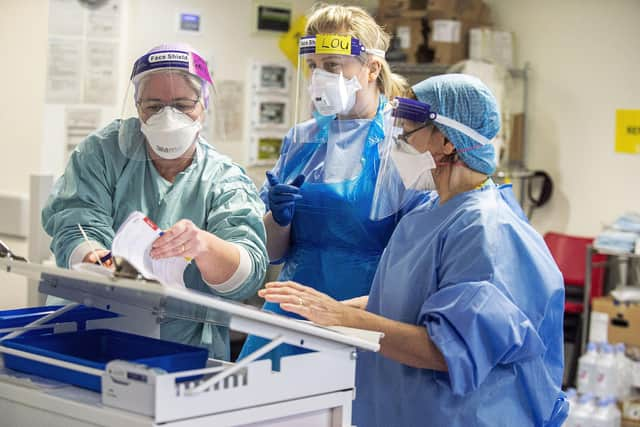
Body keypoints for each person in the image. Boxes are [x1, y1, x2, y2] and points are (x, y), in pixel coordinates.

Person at [258, 75, 569, 426]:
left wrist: (345, 318)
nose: (397, 143)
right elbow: (402, 303)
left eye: (407, 134)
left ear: (448, 142)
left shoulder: (485, 228)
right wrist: (322, 312)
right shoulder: (427, 212)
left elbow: (447, 348)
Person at [42, 43, 268, 360]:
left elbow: (247, 275)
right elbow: (74, 224)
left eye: (182, 104)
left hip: (182, 350)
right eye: (153, 106)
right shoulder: (104, 152)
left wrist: (204, 246)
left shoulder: (224, 180)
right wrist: (103, 265)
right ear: (137, 106)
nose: (168, 118)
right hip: (93, 331)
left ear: (203, 105)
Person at [239, 4, 429, 367]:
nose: (318, 77)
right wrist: (278, 218)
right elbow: (273, 252)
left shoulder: (403, 143)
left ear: (372, 68)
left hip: (363, 317)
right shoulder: (303, 140)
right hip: (291, 311)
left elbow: (415, 262)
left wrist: (347, 314)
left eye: (332, 66)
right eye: (313, 66)